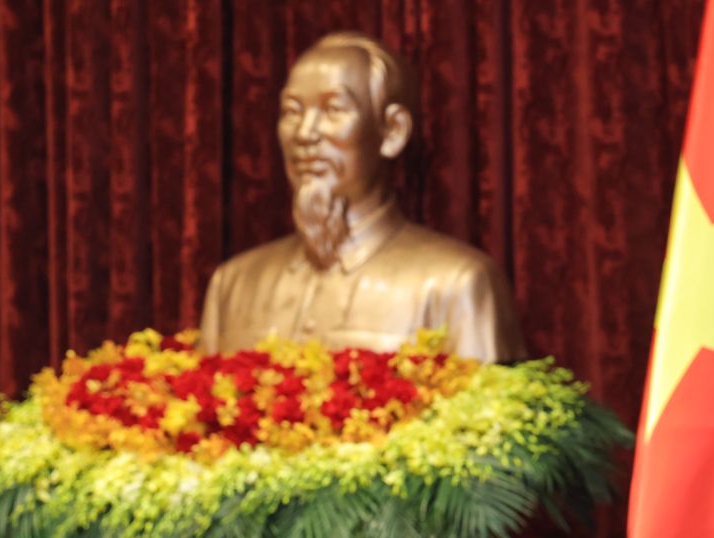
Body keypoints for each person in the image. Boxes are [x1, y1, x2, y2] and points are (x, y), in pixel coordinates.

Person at [199, 32, 524, 360]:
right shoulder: (233, 285)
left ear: (393, 131)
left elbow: (487, 392)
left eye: (333, 109)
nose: (305, 133)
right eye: (292, 111)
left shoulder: (456, 284)